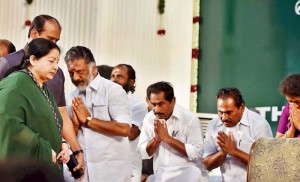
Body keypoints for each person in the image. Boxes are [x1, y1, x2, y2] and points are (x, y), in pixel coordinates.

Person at [0, 15, 84, 174]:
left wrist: (75, 149)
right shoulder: (8, 65)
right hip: (16, 159)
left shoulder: (55, 74)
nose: (53, 44)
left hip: (49, 160)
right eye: (50, 38)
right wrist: (38, 146)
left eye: (57, 41)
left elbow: (60, 115)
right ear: (33, 35)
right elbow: (5, 119)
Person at [0, 38, 68, 181]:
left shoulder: (42, 87)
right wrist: (41, 148)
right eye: (51, 61)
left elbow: (50, 125)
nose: (56, 66)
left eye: (57, 62)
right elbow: (7, 122)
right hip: (26, 170)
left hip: (49, 165)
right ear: (33, 59)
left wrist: (63, 143)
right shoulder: (16, 83)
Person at [64, 46, 132, 182]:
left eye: (80, 71)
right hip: (83, 174)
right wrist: (76, 126)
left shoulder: (113, 90)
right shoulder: (70, 97)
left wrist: (88, 120)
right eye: (71, 73)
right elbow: (71, 136)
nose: (76, 77)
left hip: (111, 173)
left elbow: (124, 129)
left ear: (93, 68)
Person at [138, 81, 209, 182]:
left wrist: (167, 138)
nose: (156, 109)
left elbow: (197, 152)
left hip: (189, 177)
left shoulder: (190, 119)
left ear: (173, 101)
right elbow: (143, 152)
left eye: (161, 104)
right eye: (153, 104)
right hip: (162, 177)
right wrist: (156, 140)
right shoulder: (149, 118)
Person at [203, 87, 273, 182]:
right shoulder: (213, 125)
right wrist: (223, 153)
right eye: (220, 112)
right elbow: (206, 164)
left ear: (242, 107)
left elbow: (267, 165)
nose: (224, 117)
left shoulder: (259, 124)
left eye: (229, 112)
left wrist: (234, 151)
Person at [111, 64, 148, 182]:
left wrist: (98, 122)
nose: (114, 79)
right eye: (112, 76)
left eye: (119, 76)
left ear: (131, 82)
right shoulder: (105, 101)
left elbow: (131, 134)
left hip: (128, 168)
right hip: (107, 164)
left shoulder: (138, 106)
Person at [276, 74, 300, 138]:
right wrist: (292, 128)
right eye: (290, 101)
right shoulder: (287, 109)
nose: (294, 105)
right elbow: (277, 142)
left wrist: (298, 123)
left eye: (297, 101)